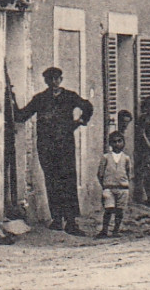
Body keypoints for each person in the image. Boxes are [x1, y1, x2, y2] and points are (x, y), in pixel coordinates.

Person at [13, 67, 94, 235]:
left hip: (65, 145)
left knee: (68, 180)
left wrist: (80, 121)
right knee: (52, 181)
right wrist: (12, 100)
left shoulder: (70, 96)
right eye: (50, 79)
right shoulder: (40, 99)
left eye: (56, 78)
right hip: (46, 146)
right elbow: (21, 116)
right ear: (46, 81)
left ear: (61, 79)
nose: (54, 82)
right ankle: (57, 219)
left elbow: (88, 107)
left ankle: (71, 221)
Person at [96, 131, 132, 239]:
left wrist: (124, 183)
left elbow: (128, 172)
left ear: (123, 143)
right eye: (114, 142)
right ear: (110, 144)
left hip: (122, 188)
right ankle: (104, 230)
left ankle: (116, 230)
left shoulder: (126, 158)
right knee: (109, 209)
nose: (117, 144)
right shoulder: (106, 157)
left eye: (119, 141)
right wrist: (105, 185)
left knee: (120, 210)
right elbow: (100, 173)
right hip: (109, 188)